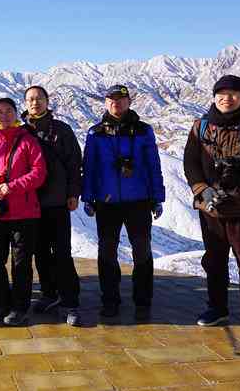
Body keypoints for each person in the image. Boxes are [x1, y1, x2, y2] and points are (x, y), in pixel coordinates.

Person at [184, 75, 240, 335]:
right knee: (214, 260)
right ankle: (217, 307)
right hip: (210, 208)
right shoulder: (200, 126)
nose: (227, 97)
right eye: (221, 93)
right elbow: (190, 162)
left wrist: (229, 192)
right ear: (214, 96)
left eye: (233, 93)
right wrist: (203, 190)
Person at [81, 84, 165, 321]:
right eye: (111, 100)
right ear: (105, 103)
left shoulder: (143, 131)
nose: (115, 103)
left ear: (129, 102)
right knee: (107, 253)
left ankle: (143, 300)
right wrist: (87, 197)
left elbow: (153, 165)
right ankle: (110, 299)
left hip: (139, 200)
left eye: (120, 99)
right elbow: (89, 168)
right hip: (107, 202)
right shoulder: (95, 133)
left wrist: (157, 197)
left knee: (142, 252)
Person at [0, 97, 47, 326]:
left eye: (8, 111)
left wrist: (11, 186)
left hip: (24, 212)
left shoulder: (27, 141)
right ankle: (1, 301)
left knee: (21, 263)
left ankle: (19, 306)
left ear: (16, 114)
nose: (4, 115)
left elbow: (39, 173)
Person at [22, 86, 83, 326]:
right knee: (39, 252)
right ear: (25, 103)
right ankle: (49, 294)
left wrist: (73, 193)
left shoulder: (61, 130)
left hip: (57, 201)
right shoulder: (21, 131)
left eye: (39, 98)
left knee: (62, 253)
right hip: (30, 203)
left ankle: (70, 301)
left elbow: (74, 163)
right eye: (30, 99)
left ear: (47, 101)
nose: (35, 103)